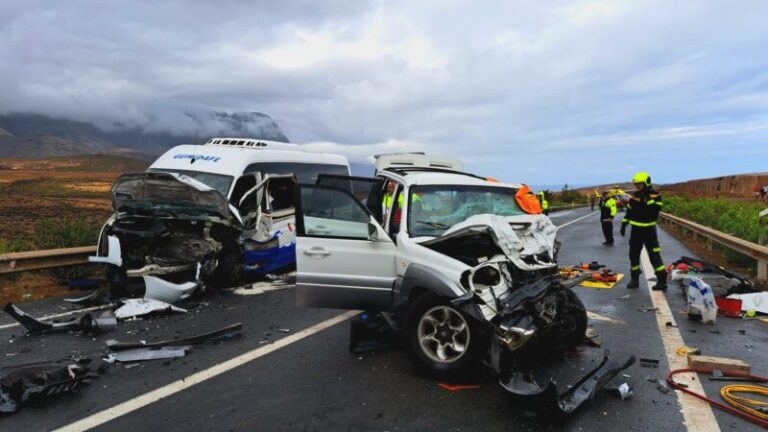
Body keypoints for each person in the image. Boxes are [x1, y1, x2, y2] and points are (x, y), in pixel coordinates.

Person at [621, 172, 666, 290]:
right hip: (636, 231)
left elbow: (655, 211)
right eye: (636, 184)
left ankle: (662, 280)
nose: (637, 186)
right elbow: (629, 211)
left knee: (654, 256)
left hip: (649, 232)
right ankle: (634, 278)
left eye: (639, 184)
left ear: (646, 183)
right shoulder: (634, 196)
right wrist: (624, 222)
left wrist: (648, 198)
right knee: (633, 255)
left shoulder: (656, 195)